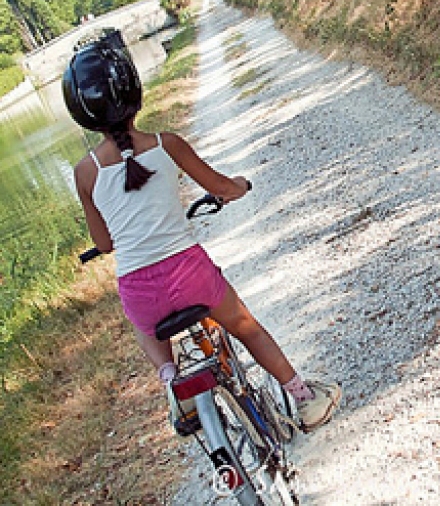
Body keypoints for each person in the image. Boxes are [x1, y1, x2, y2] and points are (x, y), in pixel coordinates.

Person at [63, 33, 341, 433]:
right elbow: (223, 188)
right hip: (190, 275)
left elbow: (105, 243)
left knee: (147, 331)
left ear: (82, 113)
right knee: (247, 328)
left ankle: (175, 387)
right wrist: (240, 187)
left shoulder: (84, 172)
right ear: (134, 93)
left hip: (142, 293)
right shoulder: (167, 144)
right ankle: (304, 397)